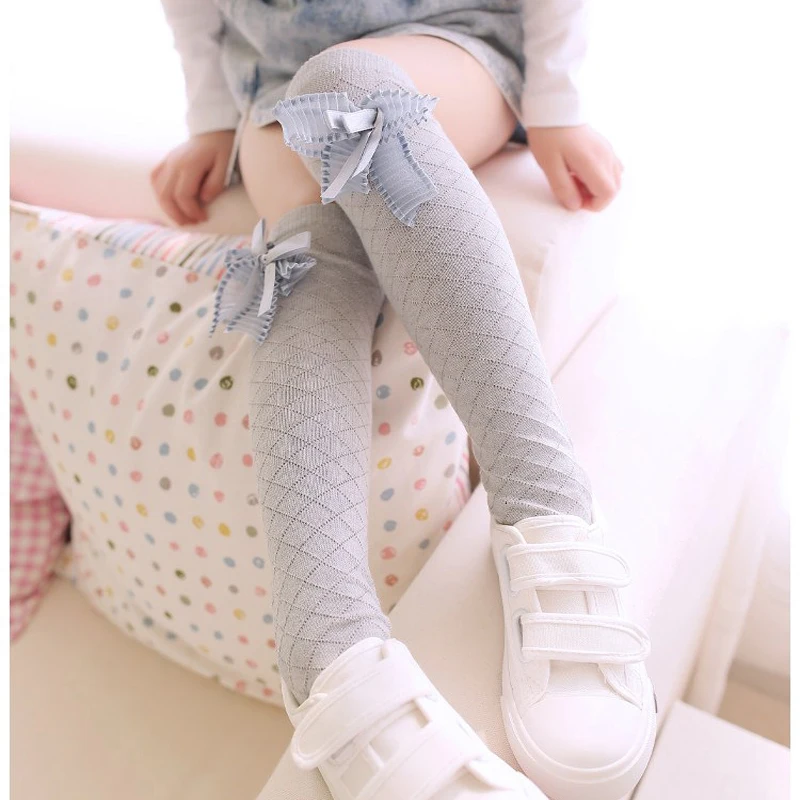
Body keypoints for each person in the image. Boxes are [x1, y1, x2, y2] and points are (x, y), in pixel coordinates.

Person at [153, 2, 655, 799]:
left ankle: (547, 502)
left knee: (346, 92)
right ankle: (328, 652)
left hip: (451, 46)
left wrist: (556, 104)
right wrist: (212, 118)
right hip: (273, 86)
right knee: (304, 254)